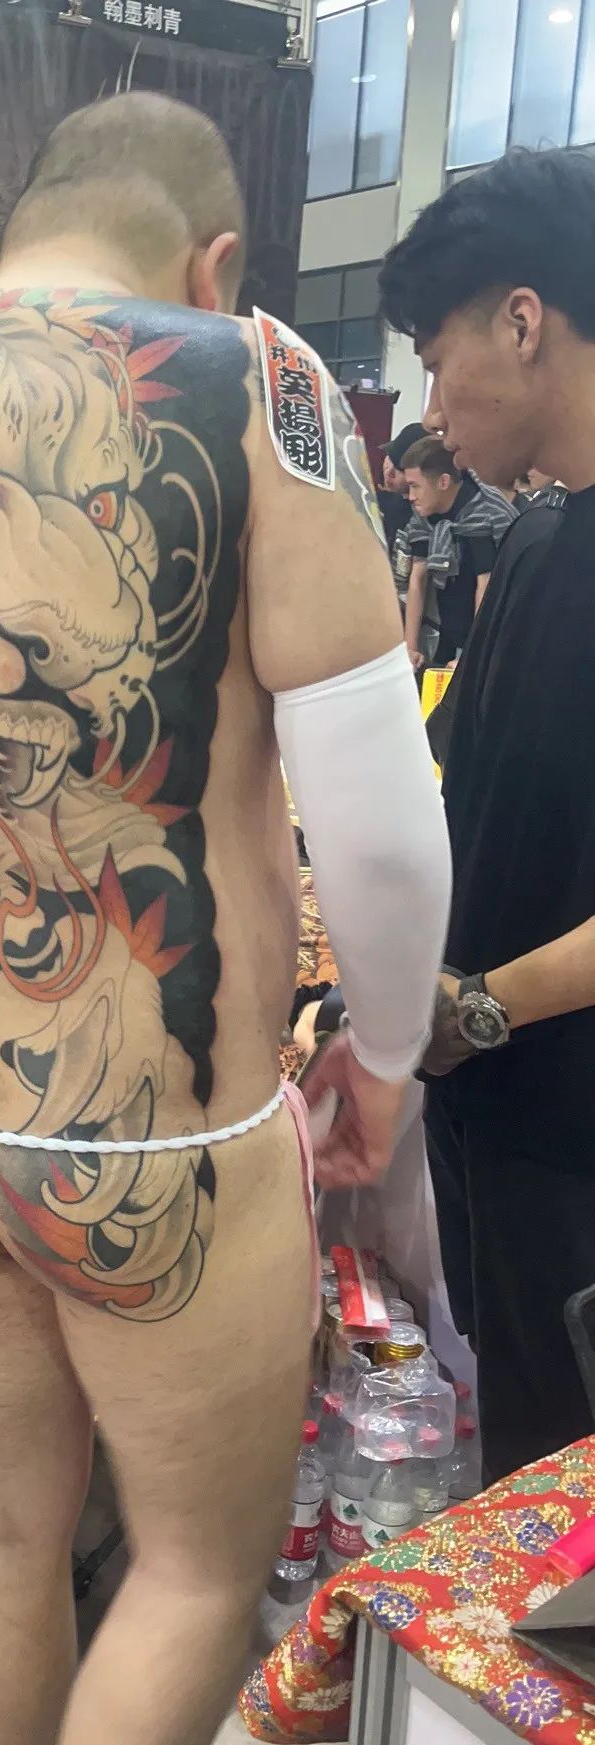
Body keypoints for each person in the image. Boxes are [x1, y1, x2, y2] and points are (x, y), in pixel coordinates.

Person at [0, 93, 451, 1745]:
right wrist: (385, 1060)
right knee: (194, 1571)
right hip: (155, 1137)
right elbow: (380, 825)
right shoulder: (259, 379)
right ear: (215, 259)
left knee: (0, 1523)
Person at [378, 143, 595, 1483]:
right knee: (520, 1457)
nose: (429, 405)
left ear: (523, 319)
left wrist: (484, 1007)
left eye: (433, 353)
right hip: (494, 1121)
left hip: (574, 1133)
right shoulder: (532, 540)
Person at [400, 436, 515, 669]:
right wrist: (410, 648)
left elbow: (486, 584)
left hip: (486, 625)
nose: (411, 496)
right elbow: (418, 577)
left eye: (415, 486)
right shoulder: (424, 512)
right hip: (445, 620)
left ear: (443, 482)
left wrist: (471, 655)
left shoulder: (483, 511)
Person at [377, 421, 423, 556]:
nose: (388, 471)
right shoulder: (382, 500)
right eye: (389, 457)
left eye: (397, 470)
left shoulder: (422, 520)